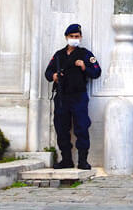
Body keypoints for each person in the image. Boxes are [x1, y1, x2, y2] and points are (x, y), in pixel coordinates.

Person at [44, 23, 102, 170]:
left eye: (77, 36)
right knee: (61, 128)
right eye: (71, 36)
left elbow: (96, 72)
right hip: (62, 97)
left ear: (80, 37)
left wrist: (84, 67)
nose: (74, 39)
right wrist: (54, 76)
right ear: (66, 37)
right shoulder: (59, 55)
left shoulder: (86, 54)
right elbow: (47, 73)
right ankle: (66, 160)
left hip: (78, 96)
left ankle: (83, 160)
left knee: (81, 127)